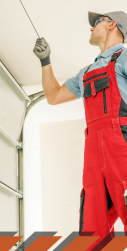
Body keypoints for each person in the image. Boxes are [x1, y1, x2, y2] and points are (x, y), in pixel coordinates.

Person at [33, 11, 127, 250]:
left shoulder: (125, 57)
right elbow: (53, 96)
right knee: (91, 234)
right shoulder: (85, 72)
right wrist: (46, 61)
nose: (91, 27)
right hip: (94, 155)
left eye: (97, 22)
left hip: (122, 147)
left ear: (112, 24)